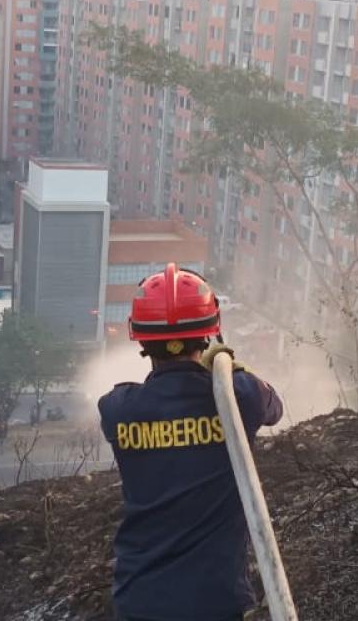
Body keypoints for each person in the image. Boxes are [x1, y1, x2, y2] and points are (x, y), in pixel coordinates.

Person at [98, 263, 283, 621]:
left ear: (141, 338)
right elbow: (273, 407)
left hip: (140, 597)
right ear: (210, 333)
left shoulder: (118, 409)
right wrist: (228, 371)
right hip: (215, 600)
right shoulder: (239, 398)